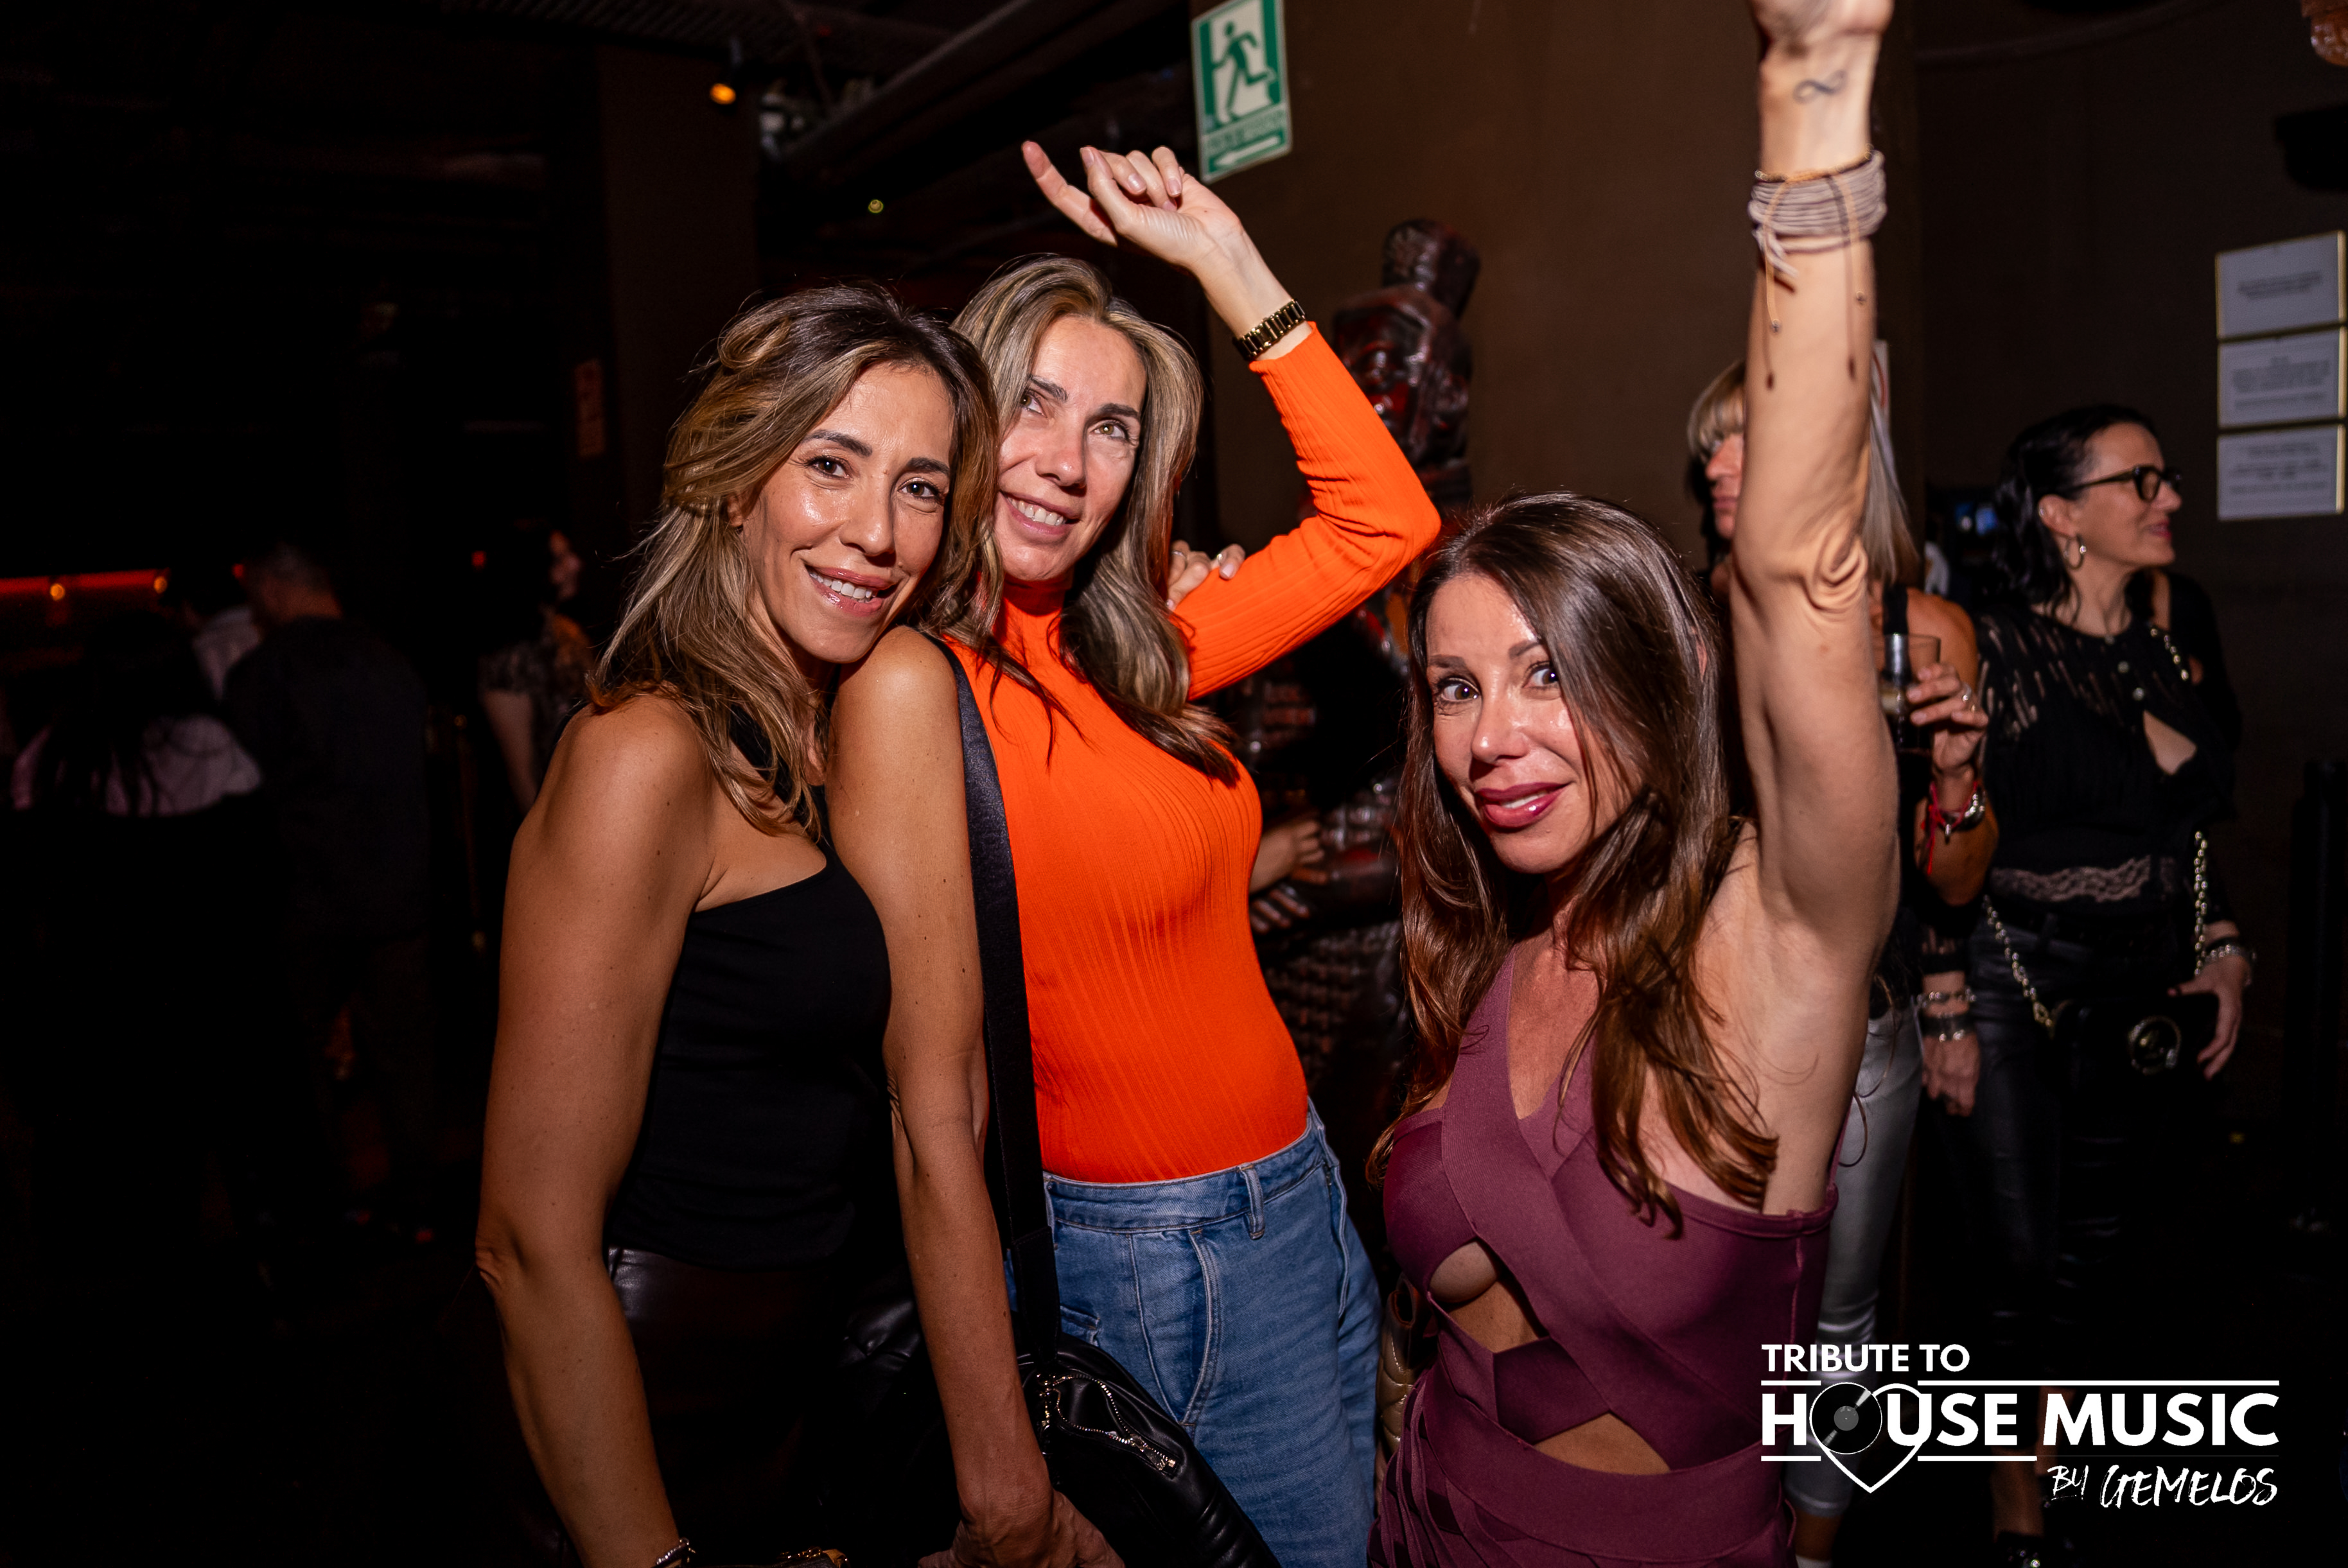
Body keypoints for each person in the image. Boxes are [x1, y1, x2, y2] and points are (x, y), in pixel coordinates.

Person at [828, 143, 1442, 1568]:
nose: (1068, 459)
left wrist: (1224, 260)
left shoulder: (1138, 648)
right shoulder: (913, 689)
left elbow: (1387, 519)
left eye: (1113, 426)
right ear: (963, 414)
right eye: (1034, 403)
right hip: (1161, 1255)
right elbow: (931, 1106)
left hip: (1299, 1189)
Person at [1371, 1, 1898, 1561]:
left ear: (1653, 688)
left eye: (1547, 673)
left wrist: (1812, 91)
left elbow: (1803, 569)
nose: (1491, 736)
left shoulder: (1777, 937)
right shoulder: (1487, 940)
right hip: (1421, 1516)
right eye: (1455, 686)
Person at [471, 284, 996, 1568]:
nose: (877, 532)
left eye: (919, 488)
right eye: (831, 465)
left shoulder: (834, 730)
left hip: (782, 1408)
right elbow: (527, 1244)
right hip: (629, 1424)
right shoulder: (643, 754)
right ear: (732, 481)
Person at [1690, 356, 1999, 1565]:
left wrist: (1956, 774)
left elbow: (1956, 882)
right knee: (1705, 1308)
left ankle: (1812, 1549)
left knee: (1838, 1314)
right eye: (1710, 444)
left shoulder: (1923, 629)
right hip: (1701, 1024)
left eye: (1745, 437)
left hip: (1859, 1037)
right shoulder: (1689, 612)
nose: (1716, 465)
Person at [1954, 403, 2248, 1564]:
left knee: (2097, 1249)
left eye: (2165, 478)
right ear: (2062, 516)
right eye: (2141, 481)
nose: (2168, 498)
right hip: (2013, 974)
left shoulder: (2177, 627)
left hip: (2144, 981)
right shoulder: (1990, 641)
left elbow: (2193, 823)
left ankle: (2055, 1451)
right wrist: (1940, 995)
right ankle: (2009, 1493)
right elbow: (1936, 834)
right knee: (2018, 1254)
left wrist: (2224, 943)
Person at [7, 613, 266, 1284]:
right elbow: (248, 873)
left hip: (92, 986)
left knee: (101, 1141)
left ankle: (104, 1275)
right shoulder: (209, 748)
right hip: (187, 984)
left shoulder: (55, 756)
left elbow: (31, 880)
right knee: (176, 1143)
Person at [223, 540, 437, 1236]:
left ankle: (326, 1204)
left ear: (272, 588)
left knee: (301, 1054)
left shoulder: (262, 673)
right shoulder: (391, 662)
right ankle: (419, 1201)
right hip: (399, 891)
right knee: (405, 1056)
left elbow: (249, 793)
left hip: (307, 898)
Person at [477, 521, 596, 811]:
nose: (576, 564)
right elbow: (522, 776)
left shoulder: (569, 632)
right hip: (552, 815)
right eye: (560, 559)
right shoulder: (507, 661)